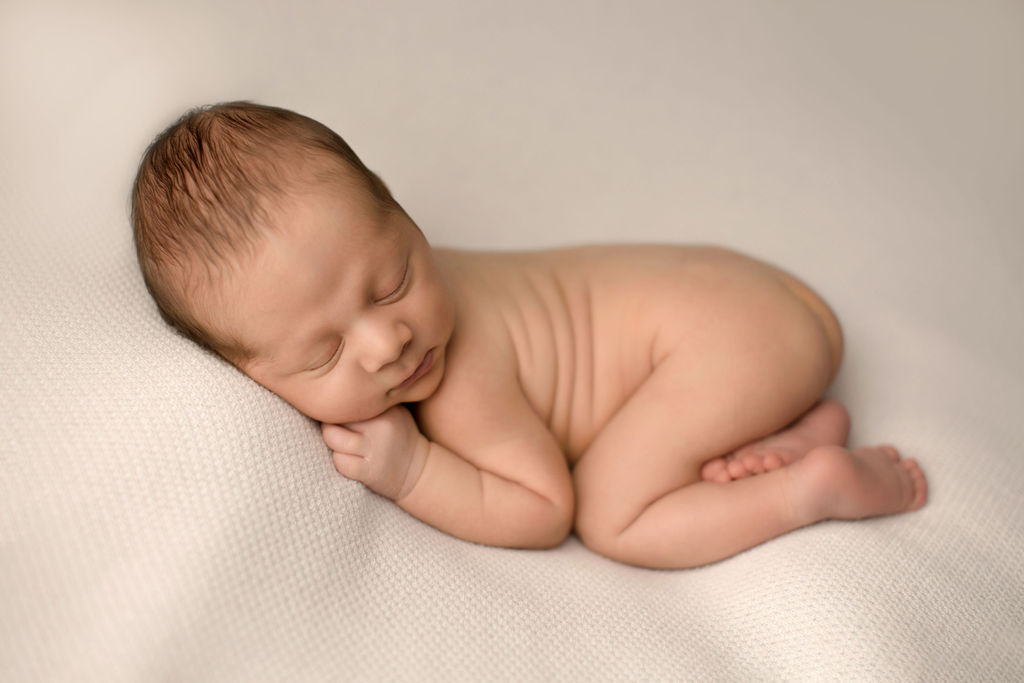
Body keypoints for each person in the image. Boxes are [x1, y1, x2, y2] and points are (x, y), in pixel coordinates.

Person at [131, 101, 927, 569]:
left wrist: (413, 471)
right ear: (249, 374)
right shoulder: (401, 299)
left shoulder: (459, 378)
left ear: (402, 212)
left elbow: (544, 507)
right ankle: (794, 426)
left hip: (731, 339)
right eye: (326, 352)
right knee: (656, 428)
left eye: (395, 278)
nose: (390, 341)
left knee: (615, 515)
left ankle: (810, 485)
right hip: (753, 304)